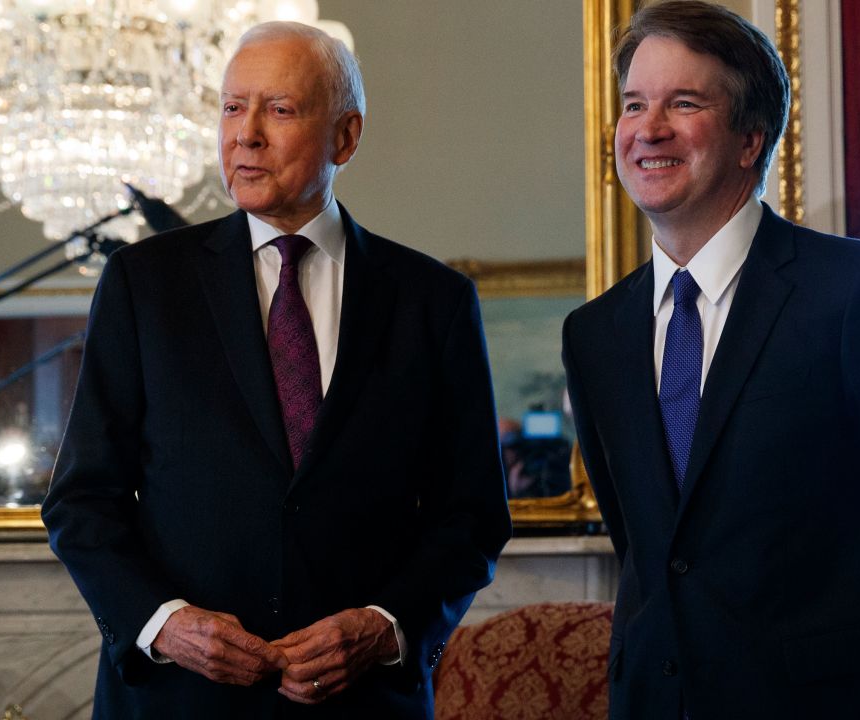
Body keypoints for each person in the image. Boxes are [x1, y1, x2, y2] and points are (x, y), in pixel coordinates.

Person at [42, 22, 511, 719]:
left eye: (280, 110)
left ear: (346, 137)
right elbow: (81, 501)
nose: (246, 135)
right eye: (233, 107)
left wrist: (383, 625)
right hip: (178, 701)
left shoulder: (431, 300)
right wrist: (163, 623)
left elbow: (469, 517)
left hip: (362, 703)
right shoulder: (144, 283)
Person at [560, 3, 860, 718]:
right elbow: (647, 545)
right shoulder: (594, 333)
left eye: (682, 103)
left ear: (751, 137)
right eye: (634, 105)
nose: (647, 129)